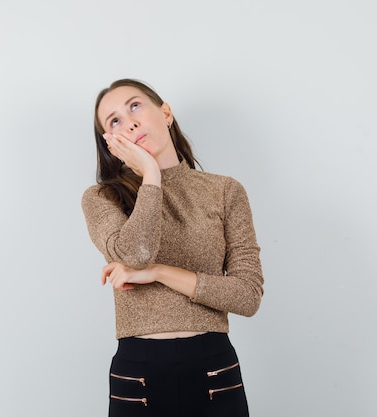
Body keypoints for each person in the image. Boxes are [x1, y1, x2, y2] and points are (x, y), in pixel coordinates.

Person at [81, 79, 264, 417]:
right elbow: (136, 253)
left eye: (134, 106)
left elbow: (247, 296)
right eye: (115, 121)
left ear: (165, 112)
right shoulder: (103, 198)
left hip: (213, 367)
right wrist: (151, 174)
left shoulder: (224, 191)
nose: (129, 121)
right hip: (139, 375)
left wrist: (159, 273)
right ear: (111, 142)